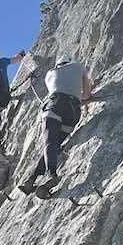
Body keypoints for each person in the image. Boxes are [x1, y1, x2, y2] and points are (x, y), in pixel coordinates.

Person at [20, 54, 93, 196]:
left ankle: (50, 174)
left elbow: (59, 89)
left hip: (54, 107)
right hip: (72, 113)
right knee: (54, 144)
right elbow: (86, 95)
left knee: (50, 142)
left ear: (58, 64)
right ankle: (32, 178)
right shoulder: (78, 66)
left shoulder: (50, 74)